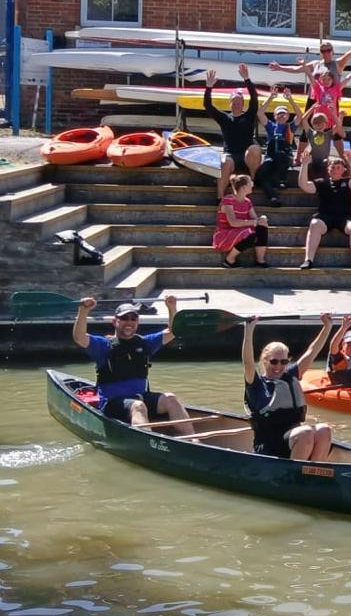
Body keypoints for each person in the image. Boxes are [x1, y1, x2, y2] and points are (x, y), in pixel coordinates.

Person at [72, 295, 194, 435]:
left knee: (170, 398)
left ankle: (192, 440)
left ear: (137, 322)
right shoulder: (104, 346)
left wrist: (172, 308)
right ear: (115, 321)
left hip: (140, 397)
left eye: (133, 318)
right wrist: (83, 311)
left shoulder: (145, 343)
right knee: (138, 406)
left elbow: (173, 332)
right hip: (113, 404)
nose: (129, 322)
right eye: (124, 318)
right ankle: (148, 443)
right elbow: (79, 338)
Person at [241, 313, 335, 461]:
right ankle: (294, 476)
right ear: (265, 361)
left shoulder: (290, 375)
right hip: (269, 446)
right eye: (274, 361)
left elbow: (312, 352)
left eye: (283, 362)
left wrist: (327, 327)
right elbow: (247, 363)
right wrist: (249, 330)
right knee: (305, 433)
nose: (279, 366)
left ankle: (316, 472)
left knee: (324, 430)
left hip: (294, 439)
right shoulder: (257, 384)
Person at [297, 150, 351, 270]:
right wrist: (304, 164)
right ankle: (308, 260)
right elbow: (304, 185)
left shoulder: (347, 182)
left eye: (338, 167)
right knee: (314, 224)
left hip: (345, 217)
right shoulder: (321, 182)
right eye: (332, 167)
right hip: (325, 217)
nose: (335, 170)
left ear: (343, 170)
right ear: (328, 169)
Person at [203, 65, 261, 201]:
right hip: (231, 156)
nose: (236, 104)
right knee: (225, 161)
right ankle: (220, 198)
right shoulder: (224, 118)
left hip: (247, 157)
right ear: (230, 104)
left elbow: (254, 98)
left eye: (239, 102)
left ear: (243, 104)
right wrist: (208, 87)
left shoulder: (249, 115)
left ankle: (253, 179)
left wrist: (247, 79)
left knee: (255, 149)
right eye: (234, 102)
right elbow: (208, 106)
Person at [215, 174, 270, 268]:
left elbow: (254, 220)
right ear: (244, 187)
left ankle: (260, 260)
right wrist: (254, 222)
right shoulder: (228, 200)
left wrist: (261, 220)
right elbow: (233, 222)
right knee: (250, 234)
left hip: (242, 230)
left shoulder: (247, 201)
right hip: (226, 232)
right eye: (250, 183)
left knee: (261, 228)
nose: (253, 184)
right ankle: (229, 260)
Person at [298, 61, 351, 139]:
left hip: (331, 117)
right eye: (324, 79)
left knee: (332, 137)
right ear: (321, 80)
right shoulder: (318, 88)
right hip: (319, 117)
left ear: (332, 80)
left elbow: (346, 80)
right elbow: (310, 75)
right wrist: (303, 64)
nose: (326, 81)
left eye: (328, 79)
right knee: (316, 138)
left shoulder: (336, 88)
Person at [257, 91, 296, 207]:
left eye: (284, 114)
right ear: (274, 116)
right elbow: (260, 113)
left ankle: (282, 180)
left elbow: (300, 115)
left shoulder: (290, 127)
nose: (282, 116)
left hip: (285, 158)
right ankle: (273, 197)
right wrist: (271, 97)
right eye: (279, 114)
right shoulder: (271, 126)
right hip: (271, 158)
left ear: (288, 116)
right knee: (260, 176)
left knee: (280, 155)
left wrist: (290, 99)